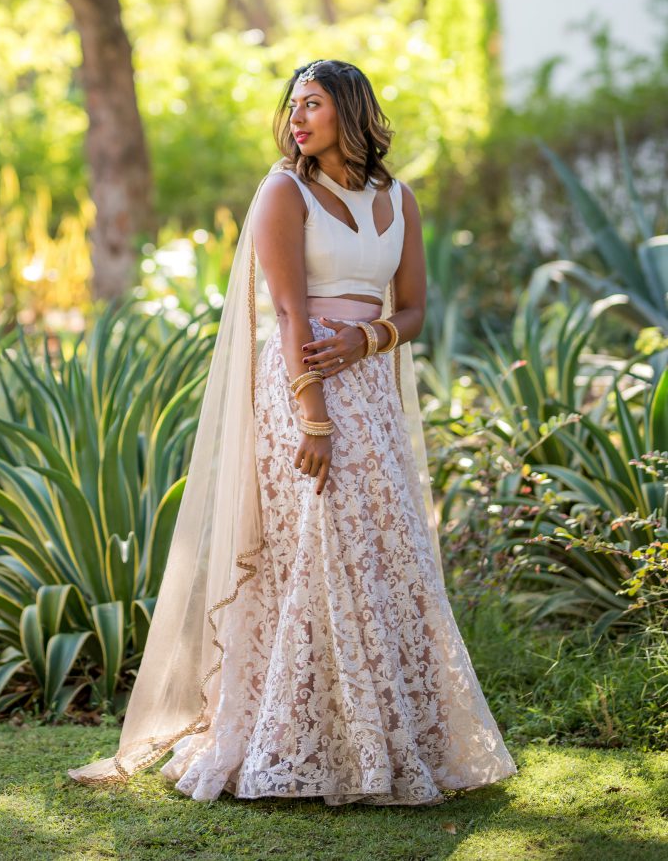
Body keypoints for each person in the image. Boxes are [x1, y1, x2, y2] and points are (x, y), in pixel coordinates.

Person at [68, 58, 517, 805]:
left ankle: (384, 741)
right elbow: (286, 314)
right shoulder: (285, 192)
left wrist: (365, 342)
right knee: (320, 547)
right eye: (293, 106)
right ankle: (296, 742)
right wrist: (313, 417)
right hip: (300, 392)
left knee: (382, 548)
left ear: (350, 110)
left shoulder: (397, 199)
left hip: (369, 390)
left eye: (312, 104)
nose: (297, 118)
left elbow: (412, 312)